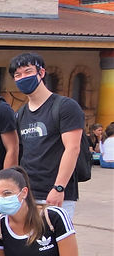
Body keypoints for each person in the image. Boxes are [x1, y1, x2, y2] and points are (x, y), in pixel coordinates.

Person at [10, 53, 85, 218]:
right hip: (27, 193)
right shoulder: (20, 113)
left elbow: (73, 148)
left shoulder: (65, 107)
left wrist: (59, 188)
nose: (23, 78)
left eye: (28, 72)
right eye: (17, 75)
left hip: (56, 194)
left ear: (41, 73)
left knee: (54, 235)